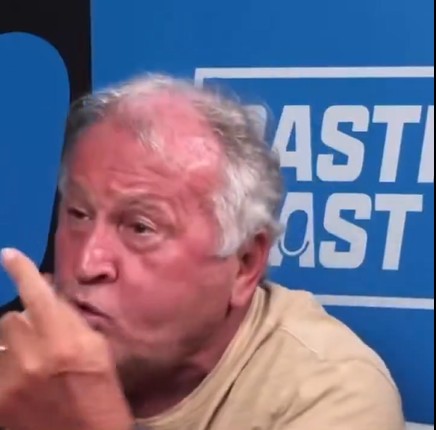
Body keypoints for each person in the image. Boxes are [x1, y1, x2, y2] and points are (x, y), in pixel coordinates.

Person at [0, 74, 405, 430]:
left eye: (140, 228)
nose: (88, 263)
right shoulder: (25, 363)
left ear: (245, 264)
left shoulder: (331, 394)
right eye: (78, 214)